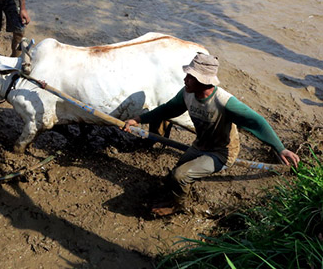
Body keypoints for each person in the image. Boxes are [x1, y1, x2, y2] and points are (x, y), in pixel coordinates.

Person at [122, 52, 300, 217]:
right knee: (172, 178)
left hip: (221, 153)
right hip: (200, 144)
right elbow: (168, 109)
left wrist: (280, 149)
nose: (185, 79)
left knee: (180, 176)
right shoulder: (187, 94)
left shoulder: (225, 103)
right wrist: (138, 119)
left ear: (204, 81)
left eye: (190, 77)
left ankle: (178, 206)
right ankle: (176, 193)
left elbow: (257, 122)